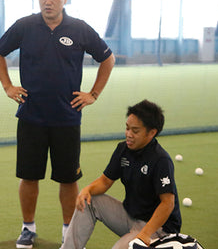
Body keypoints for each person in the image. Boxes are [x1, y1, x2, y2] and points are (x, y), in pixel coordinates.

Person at [0, 0, 115, 248]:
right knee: (29, 176)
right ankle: (28, 228)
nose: (47, 1)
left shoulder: (80, 29)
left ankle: (67, 232)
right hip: (31, 116)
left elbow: (108, 59)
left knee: (68, 180)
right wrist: (7, 86)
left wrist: (93, 94)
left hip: (67, 118)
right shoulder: (24, 26)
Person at [61, 100, 182, 249]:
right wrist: (88, 189)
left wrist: (145, 233)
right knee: (89, 201)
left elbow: (167, 203)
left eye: (135, 131)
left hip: (158, 228)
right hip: (130, 217)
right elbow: (105, 181)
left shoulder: (161, 160)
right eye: (127, 128)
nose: (128, 134)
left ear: (152, 132)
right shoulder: (123, 149)